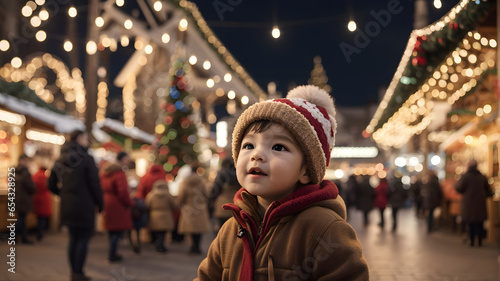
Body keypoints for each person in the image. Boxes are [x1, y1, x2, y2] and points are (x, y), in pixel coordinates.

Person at [195, 85, 368, 280]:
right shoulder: (232, 228)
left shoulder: (327, 230)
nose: (257, 155)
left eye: (278, 147)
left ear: (306, 170)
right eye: (249, 145)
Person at [48, 130, 103, 281]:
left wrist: (64, 194)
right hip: (85, 206)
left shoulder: (60, 159)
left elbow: (51, 183)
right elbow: (95, 184)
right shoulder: (87, 159)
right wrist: (100, 203)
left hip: (67, 206)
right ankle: (78, 272)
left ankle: (74, 271)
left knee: (73, 238)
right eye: (86, 138)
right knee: (83, 239)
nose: (87, 141)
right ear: (79, 139)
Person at [100, 151, 134, 262]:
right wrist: (130, 203)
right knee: (118, 230)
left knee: (111, 229)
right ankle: (112, 254)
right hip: (117, 204)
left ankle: (112, 252)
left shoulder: (105, 172)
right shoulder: (119, 173)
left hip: (107, 202)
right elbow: (123, 192)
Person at [455, 160, 493, 247]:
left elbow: (459, 188)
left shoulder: (465, 177)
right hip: (480, 204)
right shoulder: (482, 177)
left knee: (470, 223)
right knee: (479, 223)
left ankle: (472, 241)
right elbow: (489, 191)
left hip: (468, 204)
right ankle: (479, 241)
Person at [178, 174, 211, 254]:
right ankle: (197, 247)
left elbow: (181, 196)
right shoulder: (202, 183)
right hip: (200, 208)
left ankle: (193, 246)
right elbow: (207, 194)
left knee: (191, 229)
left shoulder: (184, 184)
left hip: (188, 207)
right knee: (199, 229)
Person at [145, 180, 177, 252]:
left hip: (154, 216)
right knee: (163, 232)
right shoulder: (168, 195)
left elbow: (147, 205)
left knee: (156, 232)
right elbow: (174, 205)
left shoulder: (151, 195)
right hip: (166, 215)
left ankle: (157, 244)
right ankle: (161, 245)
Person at [210, 157, 241, 231]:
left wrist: (211, 201)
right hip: (236, 206)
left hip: (222, 206)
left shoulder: (222, 175)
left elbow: (215, 191)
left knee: (222, 230)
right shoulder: (238, 174)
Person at [15, 154, 37, 244]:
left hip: (16, 197)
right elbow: (31, 187)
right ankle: (14, 235)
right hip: (23, 199)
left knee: (21, 218)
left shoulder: (14, 171)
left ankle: (23, 237)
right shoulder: (25, 173)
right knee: (21, 219)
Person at [32, 166, 52, 241]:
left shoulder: (34, 176)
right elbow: (49, 186)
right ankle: (40, 234)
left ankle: (38, 232)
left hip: (36, 198)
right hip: (44, 199)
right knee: (43, 218)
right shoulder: (45, 177)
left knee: (38, 217)